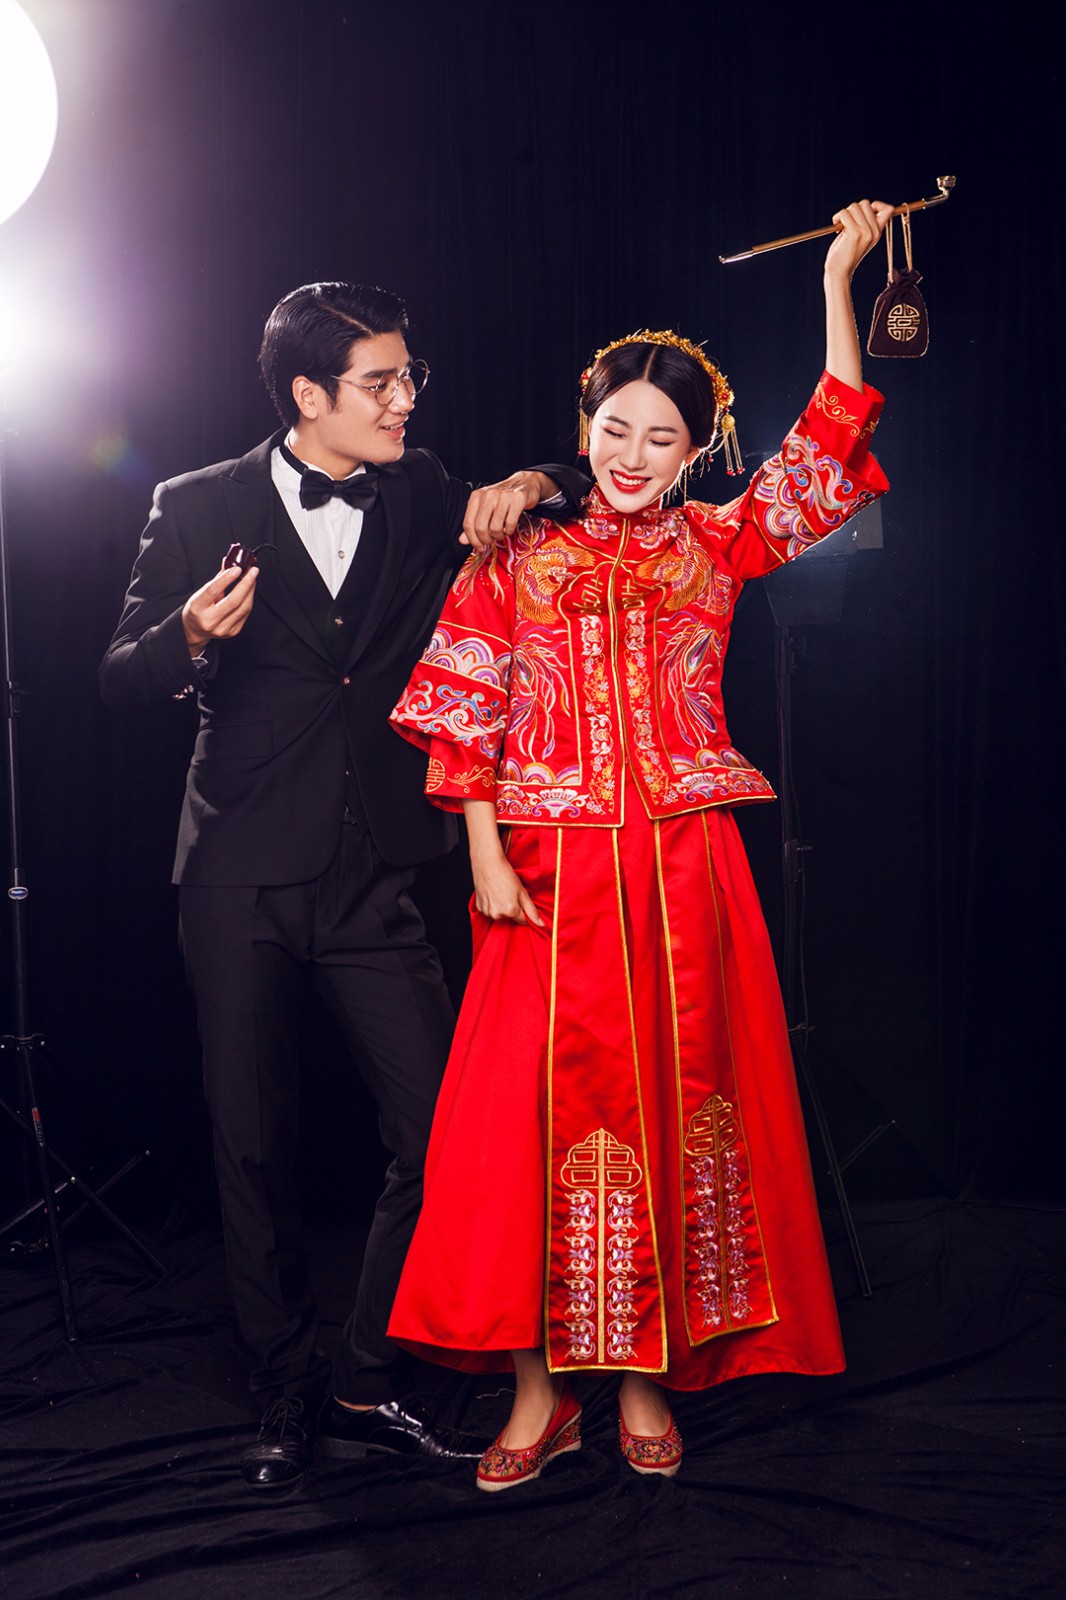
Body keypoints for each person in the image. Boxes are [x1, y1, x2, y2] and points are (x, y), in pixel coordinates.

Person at [386, 202, 893, 1489]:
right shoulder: (515, 550)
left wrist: (837, 281)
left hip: (683, 867)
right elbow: (463, 714)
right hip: (544, 873)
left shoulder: (716, 543)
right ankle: (534, 1394)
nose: (631, 453)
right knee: (520, 1130)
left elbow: (828, 443)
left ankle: (644, 1377)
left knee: (677, 1110)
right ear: (584, 426)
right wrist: (484, 856)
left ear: (693, 449)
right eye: (615, 427)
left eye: (661, 436)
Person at [99, 280, 588, 1491]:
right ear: (309, 394)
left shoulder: (417, 486)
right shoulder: (193, 501)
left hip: (377, 865)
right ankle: (282, 1384)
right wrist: (189, 638)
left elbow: (563, 487)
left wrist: (531, 480)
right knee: (252, 1143)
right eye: (383, 381)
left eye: (411, 375)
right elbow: (117, 677)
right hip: (237, 869)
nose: (406, 397)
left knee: (441, 1132)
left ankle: (366, 1378)